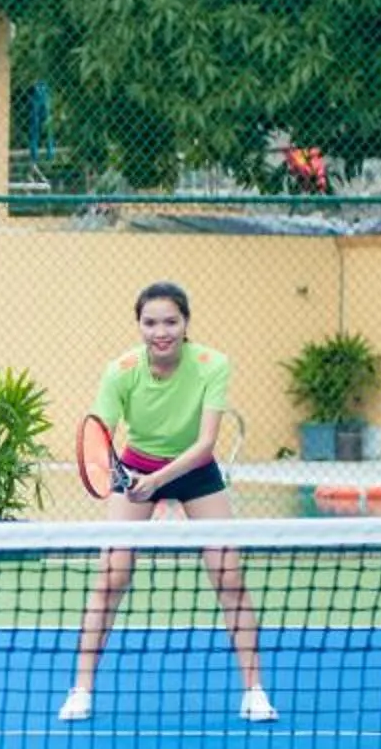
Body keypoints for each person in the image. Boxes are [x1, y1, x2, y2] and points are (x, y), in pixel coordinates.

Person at [60, 282, 274, 724]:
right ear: (138, 325)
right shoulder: (120, 370)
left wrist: (154, 482)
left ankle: (254, 691)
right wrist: (127, 479)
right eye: (150, 322)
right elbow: (102, 439)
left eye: (171, 321)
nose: (161, 331)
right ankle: (81, 690)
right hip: (136, 465)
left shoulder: (212, 365)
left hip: (193, 469)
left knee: (229, 576)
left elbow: (205, 443)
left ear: (186, 323)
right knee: (113, 576)